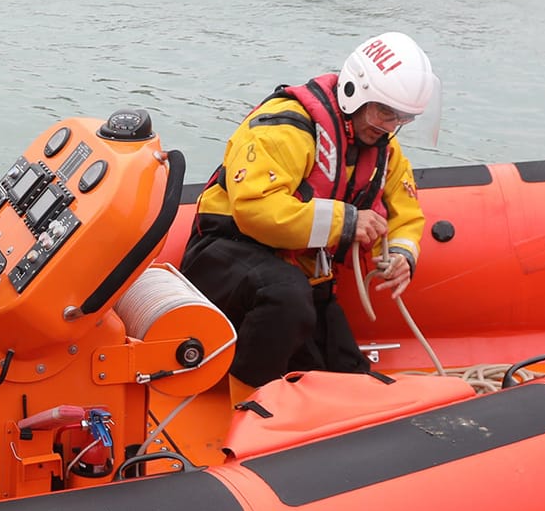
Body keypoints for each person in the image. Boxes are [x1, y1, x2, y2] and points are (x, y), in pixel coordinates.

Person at [180, 32, 437, 394]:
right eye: (385, 112)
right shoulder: (287, 128)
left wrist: (402, 253)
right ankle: (249, 405)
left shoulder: (382, 151)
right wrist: (346, 222)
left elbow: (405, 210)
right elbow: (256, 210)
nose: (391, 125)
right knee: (285, 295)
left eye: (402, 118)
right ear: (356, 91)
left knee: (348, 373)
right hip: (223, 256)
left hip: (296, 272)